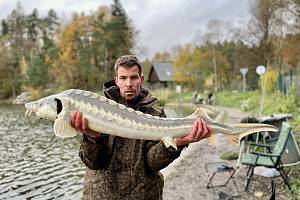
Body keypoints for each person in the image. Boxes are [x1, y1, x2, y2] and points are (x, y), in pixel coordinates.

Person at [71, 55, 212, 200]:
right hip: (101, 195)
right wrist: (92, 137)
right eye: (123, 78)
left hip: (144, 194)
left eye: (133, 77)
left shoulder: (155, 112)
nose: (129, 83)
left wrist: (179, 142)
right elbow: (93, 163)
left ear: (141, 80)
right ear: (116, 80)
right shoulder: (96, 109)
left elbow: (153, 163)